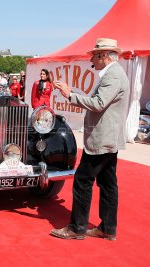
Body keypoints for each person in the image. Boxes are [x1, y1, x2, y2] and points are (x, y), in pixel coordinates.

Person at [50, 38, 130, 241]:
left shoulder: (113, 75)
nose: (92, 59)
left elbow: (98, 103)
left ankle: (77, 228)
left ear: (103, 55)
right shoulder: (114, 73)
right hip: (107, 138)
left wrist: (70, 95)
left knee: (82, 180)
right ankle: (108, 228)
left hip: (102, 139)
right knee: (108, 183)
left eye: (94, 55)